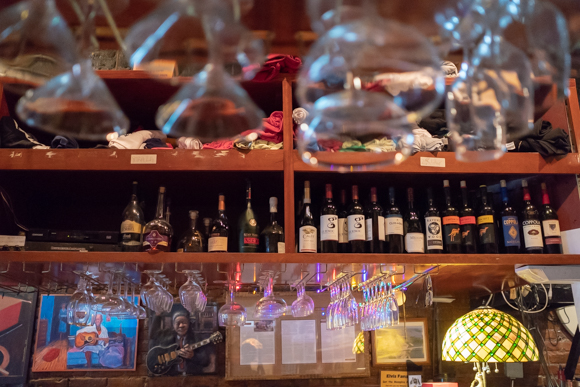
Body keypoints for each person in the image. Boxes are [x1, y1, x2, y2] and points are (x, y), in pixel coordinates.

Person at [149, 309, 213, 376]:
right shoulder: (166, 337)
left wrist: (193, 356)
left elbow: (206, 361)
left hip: (192, 378)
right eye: (178, 323)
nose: (181, 325)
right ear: (173, 325)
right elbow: (153, 336)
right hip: (171, 378)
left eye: (184, 322)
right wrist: (157, 316)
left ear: (188, 324)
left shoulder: (197, 338)